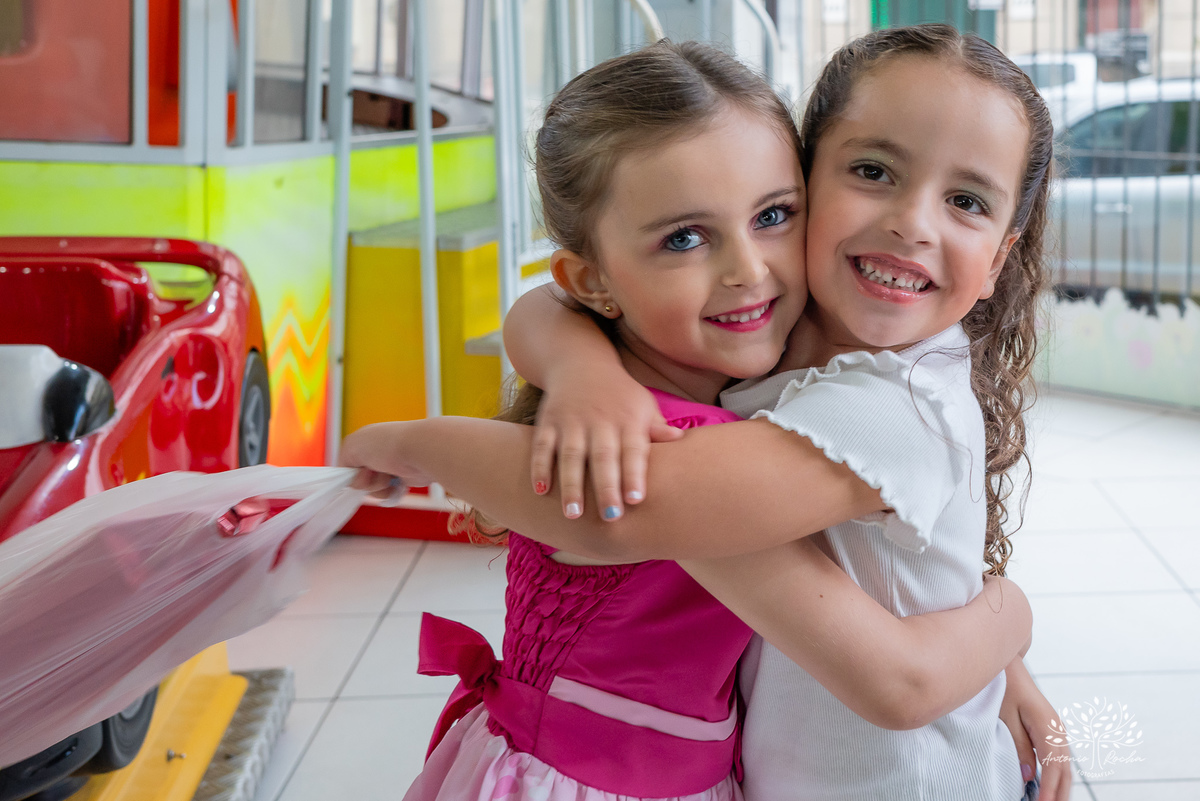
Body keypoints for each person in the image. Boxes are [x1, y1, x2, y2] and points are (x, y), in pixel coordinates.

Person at [342, 31, 1067, 801]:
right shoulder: (775, 336)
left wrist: (1009, 620)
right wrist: (581, 368)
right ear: (810, 174)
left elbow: (630, 508)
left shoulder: (892, 402)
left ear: (998, 258)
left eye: (965, 200)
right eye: (872, 171)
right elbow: (550, 304)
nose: (913, 222)